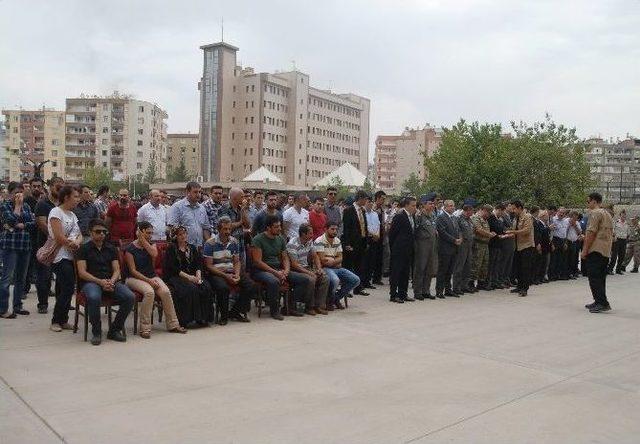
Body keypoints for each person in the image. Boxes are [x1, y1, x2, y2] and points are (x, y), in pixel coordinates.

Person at [76, 219, 134, 345]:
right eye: (98, 231)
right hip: (90, 282)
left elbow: (117, 269)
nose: (102, 234)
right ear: (90, 233)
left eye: (104, 232)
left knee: (130, 297)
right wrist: (100, 282)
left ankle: (114, 329)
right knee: (94, 297)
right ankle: (96, 331)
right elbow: (82, 273)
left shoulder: (111, 248)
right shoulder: (84, 249)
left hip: (110, 281)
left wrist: (111, 281)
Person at [124, 221, 187, 338]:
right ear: (140, 232)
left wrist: (143, 240)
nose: (150, 235)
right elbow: (133, 271)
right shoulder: (130, 249)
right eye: (148, 233)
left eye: (151, 233)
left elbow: (154, 254)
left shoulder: (151, 245)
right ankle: (145, 328)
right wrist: (149, 281)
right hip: (133, 278)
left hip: (151, 276)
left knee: (165, 292)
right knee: (149, 292)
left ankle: (173, 324)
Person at [250, 215, 311, 320]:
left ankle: (289, 307)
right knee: (274, 281)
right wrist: (275, 272)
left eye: (280, 226)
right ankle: (274, 311)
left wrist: (286, 271)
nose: (279, 229)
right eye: (276, 227)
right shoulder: (258, 239)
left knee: (304, 279)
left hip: (278, 269)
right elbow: (258, 261)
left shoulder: (280, 239)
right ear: (268, 228)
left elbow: (285, 258)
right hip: (261, 270)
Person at [204, 216, 254, 324]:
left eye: (229, 229)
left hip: (231, 270)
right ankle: (224, 316)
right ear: (219, 230)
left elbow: (236, 261)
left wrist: (237, 274)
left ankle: (235, 312)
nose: (227, 232)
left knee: (250, 285)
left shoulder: (234, 242)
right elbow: (209, 266)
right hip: (216, 273)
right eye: (225, 229)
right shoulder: (210, 243)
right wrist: (226, 276)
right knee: (223, 288)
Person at [163, 225, 214, 328]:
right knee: (191, 289)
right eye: (180, 234)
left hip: (193, 275)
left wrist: (198, 276)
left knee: (205, 287)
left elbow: (198, 263)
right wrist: (189, 278)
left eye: (184, 234)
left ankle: (203, 318)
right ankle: (186, 320)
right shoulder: (172, 249)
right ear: (175, 236)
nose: (183, 236)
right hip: (177, 276)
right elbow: (173, 268)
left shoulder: (192, 247)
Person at [48, 185, 82, 332]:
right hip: (59, 255)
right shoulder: (56, 212)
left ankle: (63, 320)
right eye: (75, 196)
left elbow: (80, 234)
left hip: (71, 255)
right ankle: (56, 320)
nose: (77, 199)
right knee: (68, 287)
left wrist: (77, 242)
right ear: (66, 197)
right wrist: (72, 243)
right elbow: (58, 236)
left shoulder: (73, 215)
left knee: (63, 288)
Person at [0, 182, 35, 318]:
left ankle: (17, 305)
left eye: (21, 192)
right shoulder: (5, 206)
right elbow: (9, 220)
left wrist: (20, 224)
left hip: (24, 245)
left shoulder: (26, 205)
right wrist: (18, 207)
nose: (19, 195)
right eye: (16, 192)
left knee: (21, 277)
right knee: (7, 278)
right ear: (10, 193)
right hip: (10, 246)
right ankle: (3, 309)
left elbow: (32, 224)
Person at [34, 177, 64, 314]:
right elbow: (41, 223)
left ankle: (61, 303)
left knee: (61, 277)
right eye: (58, 187)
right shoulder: (42, 203)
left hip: (60, 246)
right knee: (44, 276)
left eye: (62, 188)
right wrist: (56, 236)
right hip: (46, 245)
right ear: (51, 187)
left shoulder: (63, 204)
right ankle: (43, 304)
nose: (60, 190)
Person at [314, 221, 360, 310]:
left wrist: (332, 260)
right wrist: (336, 261)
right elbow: (323, 260)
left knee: (355, 280)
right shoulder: (319, 240)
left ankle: (335, 298)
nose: (335, 231)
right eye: (332, 229)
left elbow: (341, 257)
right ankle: (330, 301)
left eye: (336, 229)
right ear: (326, 229)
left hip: (336, 267)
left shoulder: (337, 240)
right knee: (335, 280)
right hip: (325, 268)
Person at [287, 224, 329, 315]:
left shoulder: (309, 242)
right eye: (310, 233)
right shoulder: (292, 244)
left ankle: (319, 305)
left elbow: (315, 256)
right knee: (311, 279)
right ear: (303, 234)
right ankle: (309, 306)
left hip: (306, 267)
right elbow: (294, 264)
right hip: (295, 270)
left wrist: (319, 269)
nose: (312, 235)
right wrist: (309, 273)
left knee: (325, 278)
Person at [582, 193, 614, 313]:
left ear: (594, 201)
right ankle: (600, 300)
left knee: (594, 277)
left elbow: (591, 233)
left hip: (595, 250)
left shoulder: (595, 213)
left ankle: (602, 303)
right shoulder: (608, 214)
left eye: (588, 201)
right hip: (605, 250)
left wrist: (584, 250)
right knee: (600, 278)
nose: (587, 203)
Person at [388, 196, 417, 303]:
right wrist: (394, 248)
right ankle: (393, 295)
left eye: (415, 205)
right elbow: (392, 234)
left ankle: (403, 294)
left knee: (405, 272)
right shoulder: (399, 216)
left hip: (408, 249)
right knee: (396, 272)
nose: (415, 208)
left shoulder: (411, 216)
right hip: (399, 250)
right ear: (406, 205)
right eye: (413, 205)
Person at [341, 190, 370, 296]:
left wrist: (366, 241)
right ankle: (346, 289)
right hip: (352, 243)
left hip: (361, 242)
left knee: (360, 266)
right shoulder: (348, 210)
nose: (366, 201)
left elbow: (365, 226)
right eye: (365, 199)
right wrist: (347, 243)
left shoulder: (362, 210)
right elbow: (346, 228)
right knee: (349, 266)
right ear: (360, 198)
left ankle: (358, 288)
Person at [168, 182, 211, 249]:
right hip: (183, 248)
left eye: (200, 192)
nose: (198, 195)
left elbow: (205, 228)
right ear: (187, 192)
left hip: (199, 248)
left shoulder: (202, 208)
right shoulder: (177, 207)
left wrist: (208, 244)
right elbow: (172, 228)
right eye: (195, 192)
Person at [505, 200, 535, 297]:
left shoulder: (527, 217)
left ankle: (524, 288)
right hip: (517, 246)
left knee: (525, 268)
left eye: (514, 208)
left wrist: (513, 232)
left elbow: (526, 230)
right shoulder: (515, 218)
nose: (513, 210)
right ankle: (519, 286)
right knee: (518, 267)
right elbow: (514, 231)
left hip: (526, 246)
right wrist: (507, 235)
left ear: (520, 208)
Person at [412, 195, 438, 300]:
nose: (432, 205)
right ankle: (417, 291)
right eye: (430, 203)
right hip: (422, 246)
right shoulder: (418, 216)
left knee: (430, 269)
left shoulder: (432, 215)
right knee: (420, 268)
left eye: (433, 203)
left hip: (432, 245)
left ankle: (426, 290)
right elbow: (415, 232)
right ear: (423, 204)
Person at [435, 199, 461, 298]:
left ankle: (448, 290)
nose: (452, 207)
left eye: (453, 205)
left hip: (454, 248)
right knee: (443, 270)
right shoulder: (441, 217)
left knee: (450, 270)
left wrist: (459, 238)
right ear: (445, 207)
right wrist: (454, 240)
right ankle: (439, 290)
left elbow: (457, 229)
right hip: (445, 248)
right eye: (450, 206)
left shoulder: (453, 217)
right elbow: (442, 232)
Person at [220, 187, 251, 266]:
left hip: (240, 243)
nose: (244, 199)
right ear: (235, 197)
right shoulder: (224, 208)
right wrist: (240, 222)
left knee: (241, 268)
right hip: (228, 245)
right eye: (242, 197)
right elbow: (227, 226)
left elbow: (247, 225)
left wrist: (243, 210)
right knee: (230, 268)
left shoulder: (240, 208)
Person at [470, 205, 495, 291]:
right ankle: (471, 283)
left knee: (484, 264)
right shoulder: (476, 218)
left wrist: (490, 234)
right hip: (478, 244)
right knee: (476, 264)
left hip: (485, 244)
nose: (488, 215)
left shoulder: (485, 220)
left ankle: (481, 283)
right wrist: (489, 234)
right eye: (488, 212)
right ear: (483, 210)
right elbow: (478, 230)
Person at [452, 204, 475, 296]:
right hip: (462, 245)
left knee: (468, 266)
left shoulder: (469, 220)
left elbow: (472, 230)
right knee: (459, 267)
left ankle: (464, 286)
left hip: (469, 245)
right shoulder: (459, 219)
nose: (472, 212)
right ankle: (456, 287)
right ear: (466, 210)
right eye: (471, 210)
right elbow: (457, 231)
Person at [362, 199, 380, 290]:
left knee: (372, 261)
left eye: (371, 202)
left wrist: (377, 235)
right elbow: (365, 227)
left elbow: (378, 225)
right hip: (367, 239)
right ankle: (363, 281)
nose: (370, 204)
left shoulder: (375, 214)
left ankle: (368, 281)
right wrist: (373, 235)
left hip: (375, 239)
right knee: (365, 261)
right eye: (368, 202)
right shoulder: (363, 213)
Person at [371, 191, 386, 286]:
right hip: (374, 235)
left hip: (381, 235)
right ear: (377, 198)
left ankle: (377, 277)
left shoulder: (382, 209)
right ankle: (371, 277)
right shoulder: (372, 208)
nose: (383, 200)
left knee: (380, 257)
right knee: (373, 257)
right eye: (382, 198)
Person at [609, 210, 630, 275]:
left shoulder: (627, 224)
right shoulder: (616, 222)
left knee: (622, 256)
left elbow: (628, 233)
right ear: (620, 215)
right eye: (622, 215)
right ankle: (610, 269)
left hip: (623, 240)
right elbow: (612, 230)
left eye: (624, 215)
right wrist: (613, 236)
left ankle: (618, 269)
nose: (623, 216)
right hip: (617, 240)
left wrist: (627, 239)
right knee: (614, 256)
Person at [566, 210, 583, 279]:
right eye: (574, 216)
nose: (576, 218)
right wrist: (570, 225)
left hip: (575, 242)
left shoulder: (577, 223)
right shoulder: (566, 221)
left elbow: (579, 232)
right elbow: (564, 231)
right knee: (567, 258)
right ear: (571, 216)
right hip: (567, 241)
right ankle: (567, 273)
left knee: (574, 258)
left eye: (577, 216)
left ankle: (573, 272)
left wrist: (575, 225)